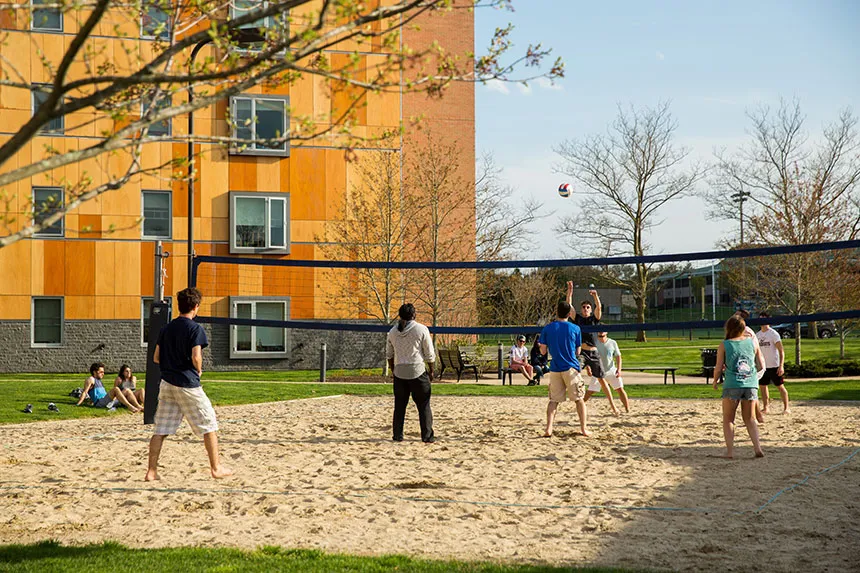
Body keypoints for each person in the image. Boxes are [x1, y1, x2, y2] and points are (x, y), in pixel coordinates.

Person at [145, 287, 232, 481]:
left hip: (167, 383)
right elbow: (196, 356)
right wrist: (198, 369)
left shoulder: (166, 328)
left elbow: (156, 357)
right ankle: (216, 468)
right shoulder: (195, 328)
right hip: (187, 383)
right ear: (196, 306)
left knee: (160, 430)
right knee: (209, 425)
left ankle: (151, 471)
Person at [712, 314, 765, 459]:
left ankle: (730, 452)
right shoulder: (752, 342)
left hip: (732, 383)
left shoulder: (725, 344)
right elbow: (760, 365)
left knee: (729, 419)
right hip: (750, 383)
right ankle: (758, 448)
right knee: (750, 419)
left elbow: (718, 367)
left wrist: (715, 381)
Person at [566, 281, 618, 415]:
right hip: (581, 353)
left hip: (594, 353)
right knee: (573, 373)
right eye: (583, 307)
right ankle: (575, 401)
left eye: (588, 307)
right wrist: (570, 291)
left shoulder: (594, 319)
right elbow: (568, 307)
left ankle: (613, 407)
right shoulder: (578, 318)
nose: (585, 309)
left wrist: (595, 296)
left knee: (602, 380)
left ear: (590, 309)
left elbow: (599, 308)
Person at [387, 303, 436, 443]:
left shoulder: (393, 332)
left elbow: (389, 354)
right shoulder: (421, 329)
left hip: (399, 371)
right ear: (414, 315)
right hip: (417, 370)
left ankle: (397, 435)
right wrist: (431, 370)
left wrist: (393, 369)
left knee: (399, 407)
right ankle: (427, 436)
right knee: (424, 405)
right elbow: (429, 353)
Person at [539, 301, 588, 437]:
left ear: (557, 312)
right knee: (579, 399)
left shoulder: (548, 328)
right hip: (570, 367)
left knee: (553, 400)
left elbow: (543, 351)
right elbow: (578, 351)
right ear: (569, 313)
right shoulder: (575, 328)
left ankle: (548, 429)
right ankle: (583, 429)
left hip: (555, 367)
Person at [587, 331, 631, 413]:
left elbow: (618, 356)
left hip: (611, 370)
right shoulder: (594, 342)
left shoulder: (612, 342)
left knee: (620, 389)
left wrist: (619, 369)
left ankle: (627, 409)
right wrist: (588, 368)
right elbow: (588, 357)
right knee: (590, 391)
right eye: (599, 331)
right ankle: (579, 406)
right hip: (597, 371)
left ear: (606, 332)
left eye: (603, 331)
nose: (601, 333)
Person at [735, 309, 766, 423]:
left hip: (754, 365)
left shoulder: (746, 332)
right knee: (750, 392)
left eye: (736, 315)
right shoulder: (739, 331)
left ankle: (754, 418)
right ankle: (758, 417)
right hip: (749, 365)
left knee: (750, 393)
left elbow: (750, 351)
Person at [756, 311, 790, 414]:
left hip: (774, 365)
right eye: (760, 319)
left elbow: (781, 350)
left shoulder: (773, 334)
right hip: (763, 366)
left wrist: (781, 365)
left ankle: (786, 407)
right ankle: (766, 407)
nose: (761, 321)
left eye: (763, 319)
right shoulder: (757, 335)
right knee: (763, 386)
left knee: (780, 386)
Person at [76, 362, 141, 412]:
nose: (103, 374)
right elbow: (85, 392)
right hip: (100, 402)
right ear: (94, 372)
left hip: (107, 401)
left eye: (103, 372)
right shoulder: (91, 379)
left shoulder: (99, 380)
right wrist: (78, 404)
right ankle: (130, 406)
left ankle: (138, 406)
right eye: (101, 372)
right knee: (116, 389)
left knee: (127, 390)